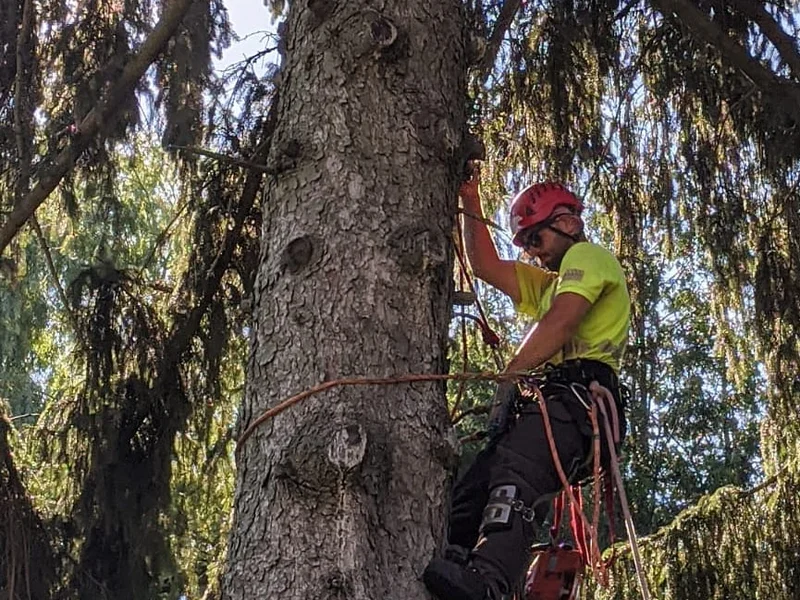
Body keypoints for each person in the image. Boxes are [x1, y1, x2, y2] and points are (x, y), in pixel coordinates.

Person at [422, 169, 631, 600]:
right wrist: (470, 197)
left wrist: (514, 369)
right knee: (472, 489)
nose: (532, 253)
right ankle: (456, 558)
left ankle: (488, 582)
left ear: (568, 224)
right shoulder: (549, 286)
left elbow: (565, 317)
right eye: (525, 245)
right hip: (556, 402)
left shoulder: (588, 258)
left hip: (578, 399)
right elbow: (484, 265)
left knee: (516, 472)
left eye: (536, 239)